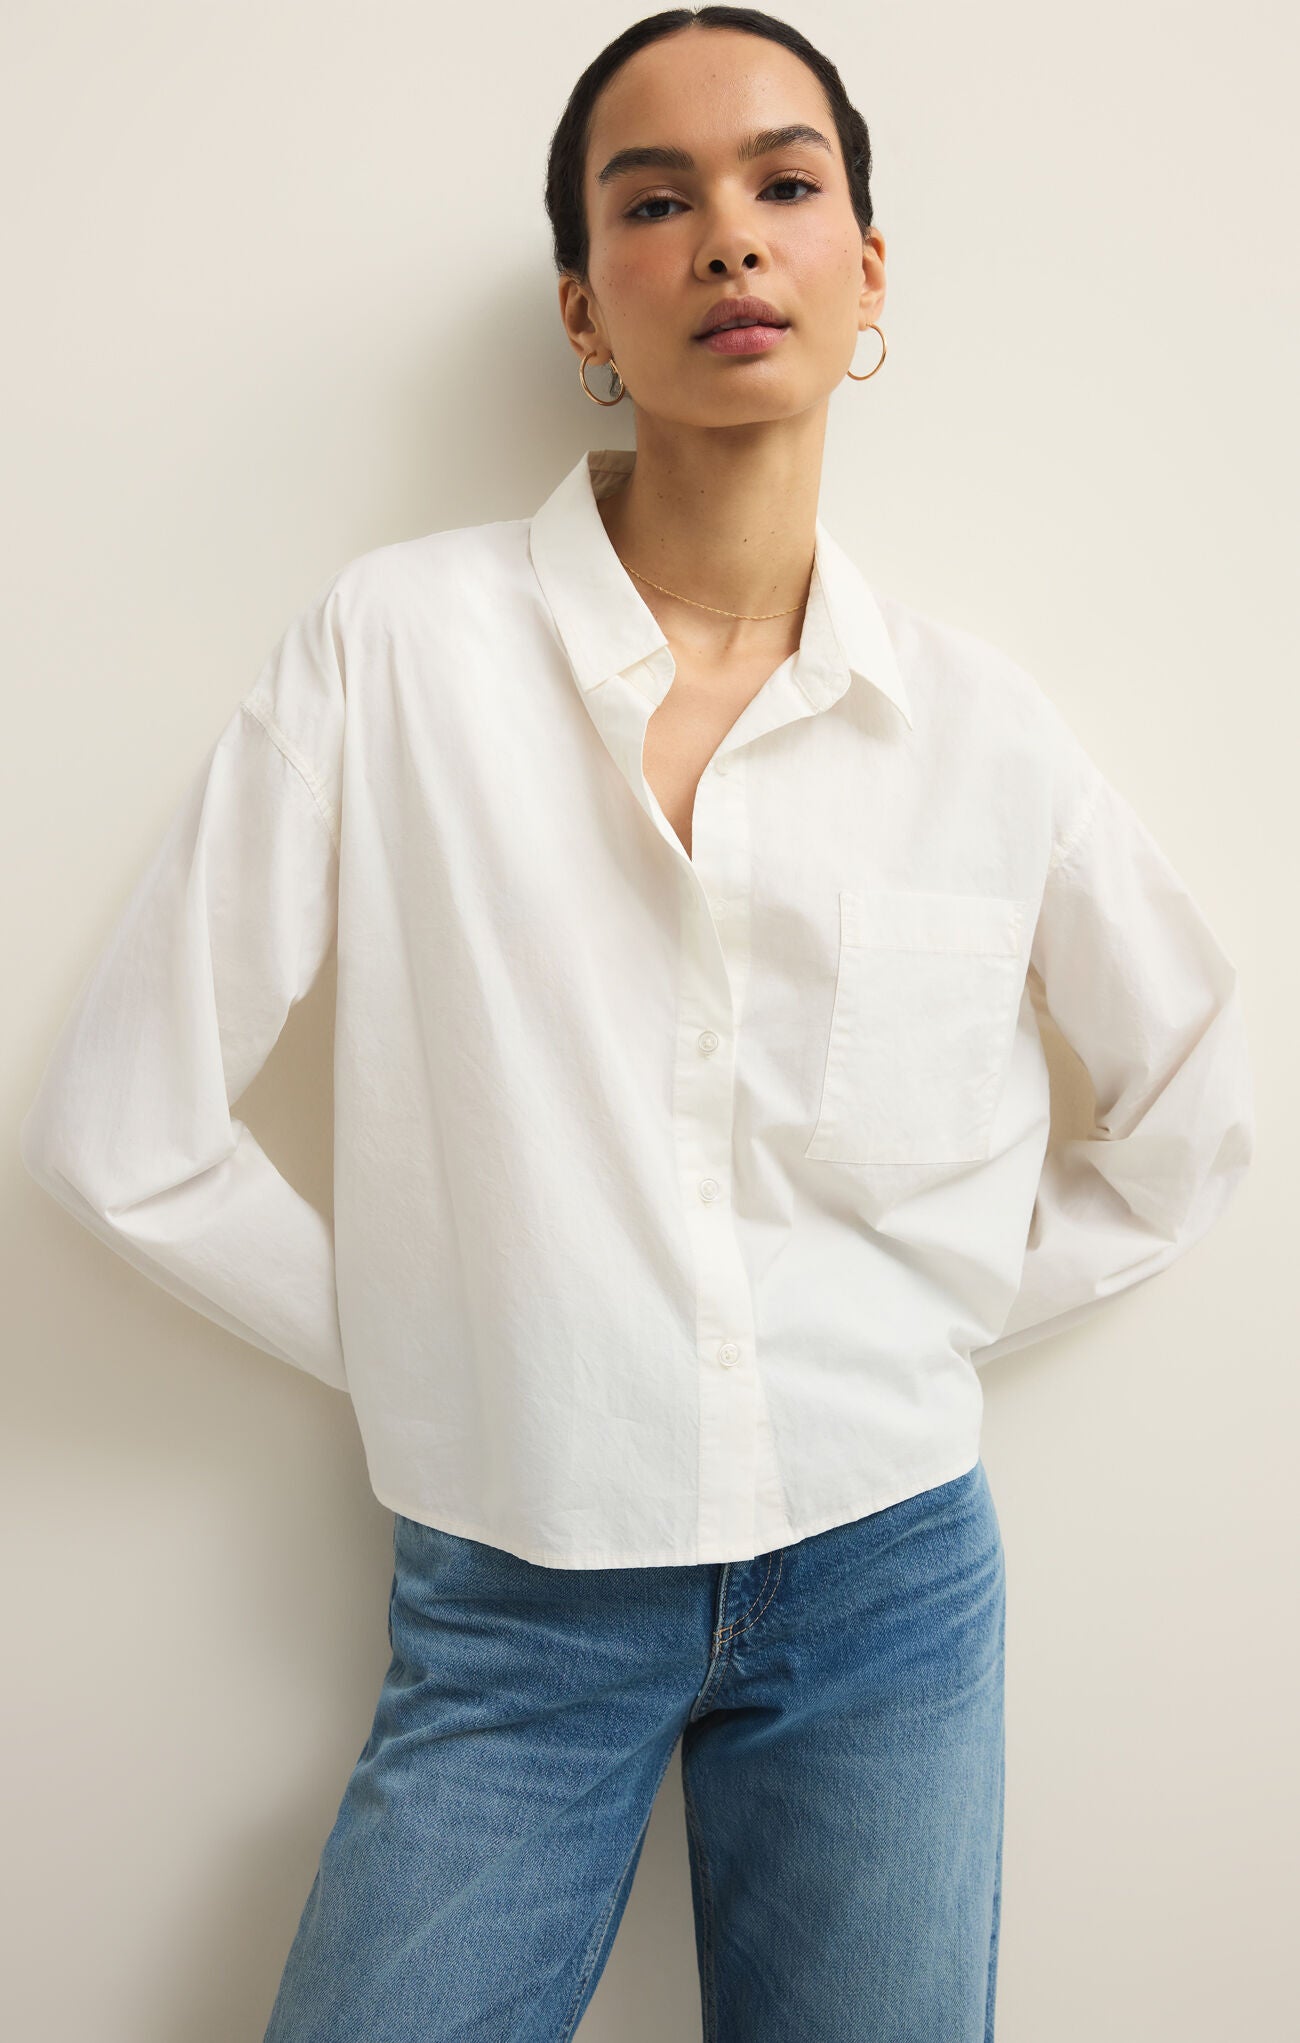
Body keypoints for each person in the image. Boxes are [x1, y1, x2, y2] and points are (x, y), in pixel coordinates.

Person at [19, 8, 1255, 2040]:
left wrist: (914, 1321)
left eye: (786, 183)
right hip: (518, 1593)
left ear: (868, 269)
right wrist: (453, 1345)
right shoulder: (396, 649)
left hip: (886, 1578)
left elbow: (1187, 1105)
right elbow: (120, 1129)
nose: (730, 238)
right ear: (584, 306)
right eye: (654, 200)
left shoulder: (978, 729)